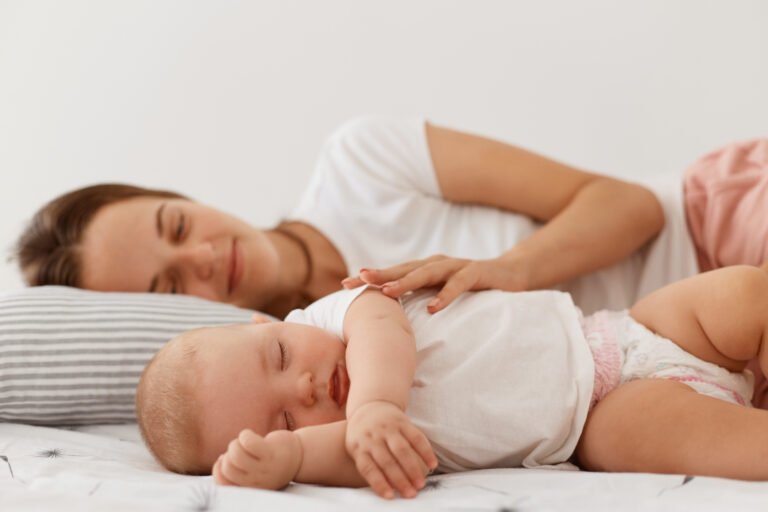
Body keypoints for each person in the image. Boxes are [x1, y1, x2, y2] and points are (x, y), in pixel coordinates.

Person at [137, 265, 768, 500]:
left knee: (744, 293)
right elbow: (352, 460)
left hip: (625, 332)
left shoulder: (337, 314)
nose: (301, 387)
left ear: (269, 322)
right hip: (600, 417)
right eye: (281, 419)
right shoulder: (362, 441)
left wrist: (376, 405)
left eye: (277, 355)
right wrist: (291, 458)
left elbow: (383, 325)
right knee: (690, 438)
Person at [15, 117, 667, 320]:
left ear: (181, 196)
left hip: (709, 234)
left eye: (178, 227)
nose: (203, 259)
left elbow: (632, 207)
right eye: (170, 287)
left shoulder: (361, 162)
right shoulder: (306, 371)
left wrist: (505, 271)